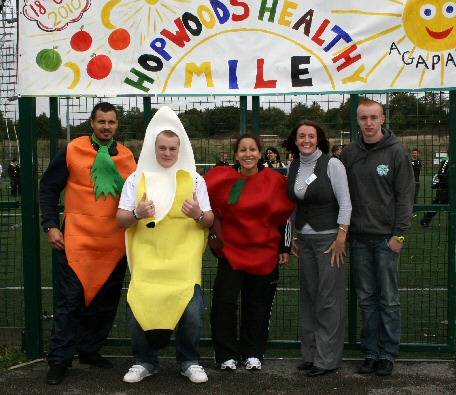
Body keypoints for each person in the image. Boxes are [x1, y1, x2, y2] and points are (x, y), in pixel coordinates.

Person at [39, 102, 136, 385]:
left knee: (105, 303)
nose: (106, 127)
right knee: (70, 303)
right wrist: (50, 225)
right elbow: (48, 187)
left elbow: (137, 196)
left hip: (114, 243)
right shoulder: (72, 150)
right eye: (101, 121)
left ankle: (90, 349)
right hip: (76, 241)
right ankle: (59, 360)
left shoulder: (129, 156)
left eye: (112, 122)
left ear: (117, 125)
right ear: (91, 123)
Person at [117, 106, 214, 384]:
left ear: (180, 149)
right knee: (140, 309)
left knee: (191, 313)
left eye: (173, 148)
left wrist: (198, 214)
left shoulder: (195, 180)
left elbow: (209, 220)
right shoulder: (136, 179)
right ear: (153, 148)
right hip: (147, 261)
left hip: (183, 263)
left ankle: (189, 361)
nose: (167, 153)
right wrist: (137, 213)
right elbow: (120, 219)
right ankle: (145, 362)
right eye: (162, 148)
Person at [204, 134, 294, 372]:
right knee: (224, 304)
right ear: (236, 155)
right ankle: (226, 355)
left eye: (252, 149)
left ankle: (253, 353)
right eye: (242, 150)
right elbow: (205, 204)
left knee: (258, 305)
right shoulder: (221, 179)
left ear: (260, 153)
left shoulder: (274, 181)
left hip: (264, 253)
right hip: (231, 253)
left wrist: (284, 247)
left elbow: (285, 215)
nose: (248, 154)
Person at [340, 99, 414, 377]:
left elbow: (406, 196)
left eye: (373, 117)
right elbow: (342, 194)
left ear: (382, 119)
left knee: (389, 299)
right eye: (363, 118)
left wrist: (400, 236)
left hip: (386, 240)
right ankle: (370, 352)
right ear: (357, 121)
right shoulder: (349, 153)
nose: (368, 123)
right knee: (367, 299)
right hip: (358, 239)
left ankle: (388, 353)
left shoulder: (396, 152)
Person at [282, 121, 351, 378]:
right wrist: (293, 239)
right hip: (306, 240)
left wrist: (342, 237)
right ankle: (310, 356)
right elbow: (293, 206)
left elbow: (345, 203)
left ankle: (327, 360)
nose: (306, 140)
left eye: (311, 136)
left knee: (328, 300)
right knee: (309, 298)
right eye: (302, 136)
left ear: (318, 139)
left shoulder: (332, 164)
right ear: (296, 139)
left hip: (329, 241)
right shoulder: (294, 165)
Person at [420, 152, 456, 230]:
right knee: (437, 206)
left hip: (446, 189)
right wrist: (444, 184)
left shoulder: (450, 161)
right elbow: (441, 174)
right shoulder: (447, 161)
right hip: (445, 189)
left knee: (453, 206)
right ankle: (424, 221)